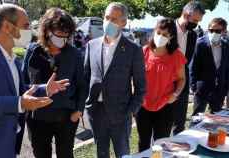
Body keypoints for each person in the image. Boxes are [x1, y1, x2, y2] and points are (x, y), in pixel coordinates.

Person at [0, 4, 69, 158]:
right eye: (26, 25)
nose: (30, 30)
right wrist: (19, 103)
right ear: (7, 27)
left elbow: (18, 90)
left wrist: (45, 89)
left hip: (8, 142)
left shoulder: (13, 58)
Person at [22, 8, 86, 158]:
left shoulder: (74, 54)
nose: (63, 39)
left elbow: (82, 85)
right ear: (47, 30)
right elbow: (22, 83)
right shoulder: (33, 51)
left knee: (65, 155)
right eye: (59, 34)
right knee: (41, 154)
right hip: (37, 117)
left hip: (66, 117)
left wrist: (78, 111)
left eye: (67, 35)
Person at [84, 2, 146, 158]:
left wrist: (130, 111)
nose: (108, 22)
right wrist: (86, 105)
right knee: (101, 152)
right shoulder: (92, 45)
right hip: (96, 112)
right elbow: (86, 77)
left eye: (114, 19)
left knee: (123, 153)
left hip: (121, 114)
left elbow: (141, 87)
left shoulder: (133, 49)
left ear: (123, 22)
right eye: (107, 17)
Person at [136, 18, 187, 152]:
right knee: (143, 143)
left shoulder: (176, 55)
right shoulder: (144, 51)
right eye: (158, 32)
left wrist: (175, 94)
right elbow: (134, 77)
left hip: (165, 106)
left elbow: (182, 79)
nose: (160, 36)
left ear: (171, 37)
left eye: (165, 35)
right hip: (143, 106)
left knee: (161, 144)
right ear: (154, 32)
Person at [173, 1, 205, 135]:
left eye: (199, 21)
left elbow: (187, 61)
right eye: (195, 20)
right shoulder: (166, 28)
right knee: (160, 124)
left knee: (179, 123)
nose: (196, 24)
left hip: (182, 83)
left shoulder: (192, 35)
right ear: (186, 14)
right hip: (163, 83)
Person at [190, 18, 229, 116]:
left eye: (217, 31)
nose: (213, 33)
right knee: (197, 117)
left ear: (224, 31)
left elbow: (227, 68)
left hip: (219, 89)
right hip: (202, 88)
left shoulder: (226, 45)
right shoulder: (200, 44)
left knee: (217, 118)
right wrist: (194, 86)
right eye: (211, 30)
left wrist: (226, 87)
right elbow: (194, 66)